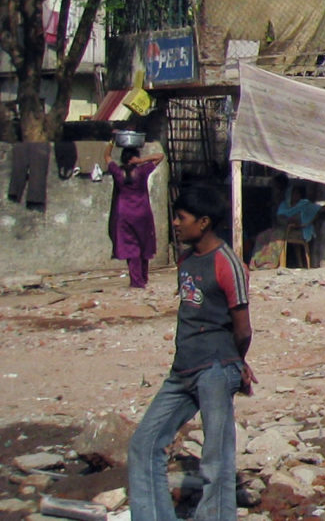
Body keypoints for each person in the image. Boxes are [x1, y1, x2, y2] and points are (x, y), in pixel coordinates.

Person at [128, 183, 254, 521]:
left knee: (216, 458)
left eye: (181, 217)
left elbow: (243, 329)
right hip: (182, 370)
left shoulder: (228, 264)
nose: (175, 223)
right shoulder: (185, 261)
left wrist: (236, 363)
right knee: (144, 443)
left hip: (215, 368)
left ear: (203, 222)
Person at [106, 145, 164, 289]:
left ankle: (136, 281)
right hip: (142, 213)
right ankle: (143, 277)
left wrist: (111, 142)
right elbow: (160, 156)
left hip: (124, 214)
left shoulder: (117, 172)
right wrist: (141, 160)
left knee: (131, 247)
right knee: (144, 244)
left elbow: (106, 156)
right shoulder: (142, 171)